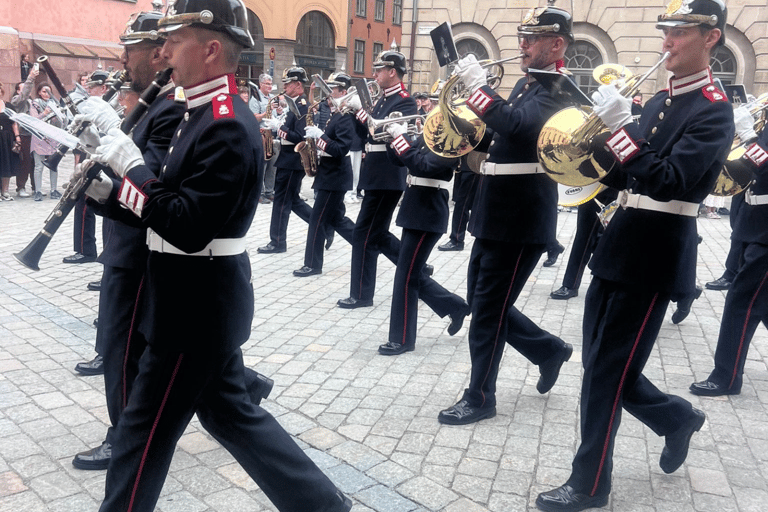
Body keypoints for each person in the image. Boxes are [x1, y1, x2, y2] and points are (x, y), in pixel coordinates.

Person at [84, 1, 351, 510]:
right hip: (196, 298)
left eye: (173, 40)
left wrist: (132, 167)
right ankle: (322, 504)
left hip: (193, 305)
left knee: (138, 439)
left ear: (210, 48)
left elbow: (185, 225)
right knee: (232, 414)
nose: (160, 50)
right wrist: (108, 196)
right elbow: (165, 206)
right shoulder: (199, 111)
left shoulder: (226, 122)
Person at [536, 2, 733, 510]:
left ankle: (590, 483)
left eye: (678, 32)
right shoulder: (658, 103)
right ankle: (676, 418)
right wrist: (596, 145)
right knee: (604, 368)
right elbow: (629, 175)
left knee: (606, 373)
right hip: (618, 245)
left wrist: (622, 133)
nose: (666, 41)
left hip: (654, 257)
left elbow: (669, 181)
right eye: (665, 31)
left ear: (710, 37)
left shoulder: (713, 109)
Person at [437, 5, 574, 427]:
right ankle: (547, 350)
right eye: (523, 36)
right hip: (495, 212)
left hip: (520, 220)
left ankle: (480, 396)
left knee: (488, 313)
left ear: (557, 44)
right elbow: (500, 134)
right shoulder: (527, 84)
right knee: (484, 304)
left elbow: (516, 125)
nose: (523, 44)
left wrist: (480, 91)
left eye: (533, 39)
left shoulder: (559, 90)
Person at [689, 110, 768, 397]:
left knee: (741, 301)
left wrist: (749, 137)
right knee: (762, 302)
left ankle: (727, 376)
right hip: (755, 221)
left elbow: (761, 165)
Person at [377, 123, 471, 355]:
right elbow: (401, 160)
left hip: (429, 211)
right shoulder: (430, 137)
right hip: (415, 207)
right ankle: (454, 305)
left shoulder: (452, 143)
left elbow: (423, 165)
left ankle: (402, 339)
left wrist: (402, 139)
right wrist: (392, 140)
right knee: (410, 273)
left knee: (406, 276)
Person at [336, 47, 418, 309]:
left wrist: (362, 113)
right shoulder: (382, 98)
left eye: (380, 69)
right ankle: (418, 267)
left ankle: (361, 294)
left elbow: (380, 129)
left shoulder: (405, 100)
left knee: (363, 233)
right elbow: (366, 135)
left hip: (388, 173)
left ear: (393, 72)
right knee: (377, 235)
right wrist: (353, 115)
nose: (375, 73)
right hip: (376, 171)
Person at [294, 72, 357, 276]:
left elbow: (340, 149)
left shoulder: (346, 116)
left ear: (344, 92)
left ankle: (312, 264)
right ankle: (368, 245)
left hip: (334, 177)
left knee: (317, 220)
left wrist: (320, 138)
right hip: (329, 175)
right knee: (339, 221)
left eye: (333, 90)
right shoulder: (336, 113)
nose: (329, 94)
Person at [257, 65, 314, 254]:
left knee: (281, 202)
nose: (285, 86)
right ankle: (323, 224)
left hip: (292, 160)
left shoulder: (302, 106)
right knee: (292, 201)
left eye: (288, 83)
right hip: (288, 158)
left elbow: (299, 136)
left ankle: (278, 242)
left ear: (298, 85)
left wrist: (278, 127)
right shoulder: (293, 104)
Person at [63, 70, 111, 264]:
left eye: (92, 88)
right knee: (82, 203)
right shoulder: (91, 106)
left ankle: (101, 255)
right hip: (90, 152)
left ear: (104, 88)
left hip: (106, 158)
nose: (89, 91)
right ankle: (85, 249)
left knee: (106, 209)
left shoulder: (112, 106)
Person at [550, 187, 619, 300]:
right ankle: (574, 284)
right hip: (592, 188)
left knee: (585, 237)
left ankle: (571, 284)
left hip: (604, 188)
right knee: (587, 236)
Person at [29, 83, 64, 201]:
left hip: (52, 137)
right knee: (38, 166)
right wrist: (44, 113)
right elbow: (33, 120)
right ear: (39, 92)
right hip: (39, 137)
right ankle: (38, 191)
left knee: (54, 165)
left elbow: (61, 122)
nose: (47, 94)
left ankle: (54, 190)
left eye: (49, 92)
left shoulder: (55, 103)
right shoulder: (35, 104)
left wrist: (59, 117)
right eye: (44, 91)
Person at [438, 153, 478, 251]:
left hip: (473, 164)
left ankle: (457, 240)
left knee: (462, 204)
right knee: (460, 203)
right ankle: (456, 239)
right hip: (465, 164)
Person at [10, 69, 39, 198]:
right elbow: (24, 95)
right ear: (17, 91)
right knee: (25, 162)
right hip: (24, 134)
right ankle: (21, 187)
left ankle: (35, 186)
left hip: (34, 134)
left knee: (35, 162)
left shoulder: (31, 101)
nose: (27, 90)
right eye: (23, 88)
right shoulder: (17, 100)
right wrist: (31, 78)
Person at [251, 73, 279, 203]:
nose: (269, 86)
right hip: (262, 135)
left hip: (273, 136)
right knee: (262, 166)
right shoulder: (255, 98)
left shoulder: (273, 98)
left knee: (273, 166)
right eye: (267, 84)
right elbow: (253, 117)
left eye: (270, 83)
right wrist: (265, 113)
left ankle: (269, 191)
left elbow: (277, 115)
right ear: (260, 84)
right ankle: (259, 193)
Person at [0, 84, 21, 200]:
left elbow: (14, 122)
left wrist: (17, 137)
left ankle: (5, 191)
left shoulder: (8, 106)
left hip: (6, 138)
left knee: (6, 164)